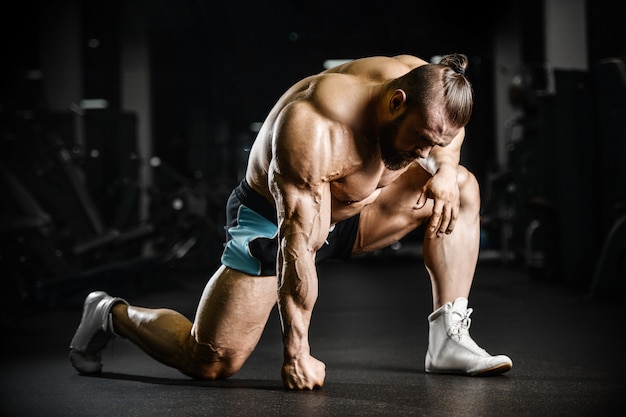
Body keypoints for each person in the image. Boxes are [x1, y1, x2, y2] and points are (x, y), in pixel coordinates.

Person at [69, 53, 512, 390]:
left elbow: (444, 136)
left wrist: (448, 170)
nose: (424, 152)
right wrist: (296, 352)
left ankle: (448, 342)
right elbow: (297, 248)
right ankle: (110, 314)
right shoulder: (314, 126)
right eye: (419, 140)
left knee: (464, 187)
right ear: (396, 103)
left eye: (436, 142)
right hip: (276, 224)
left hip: (359, 213)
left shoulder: (429, 92)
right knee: (211, 361)